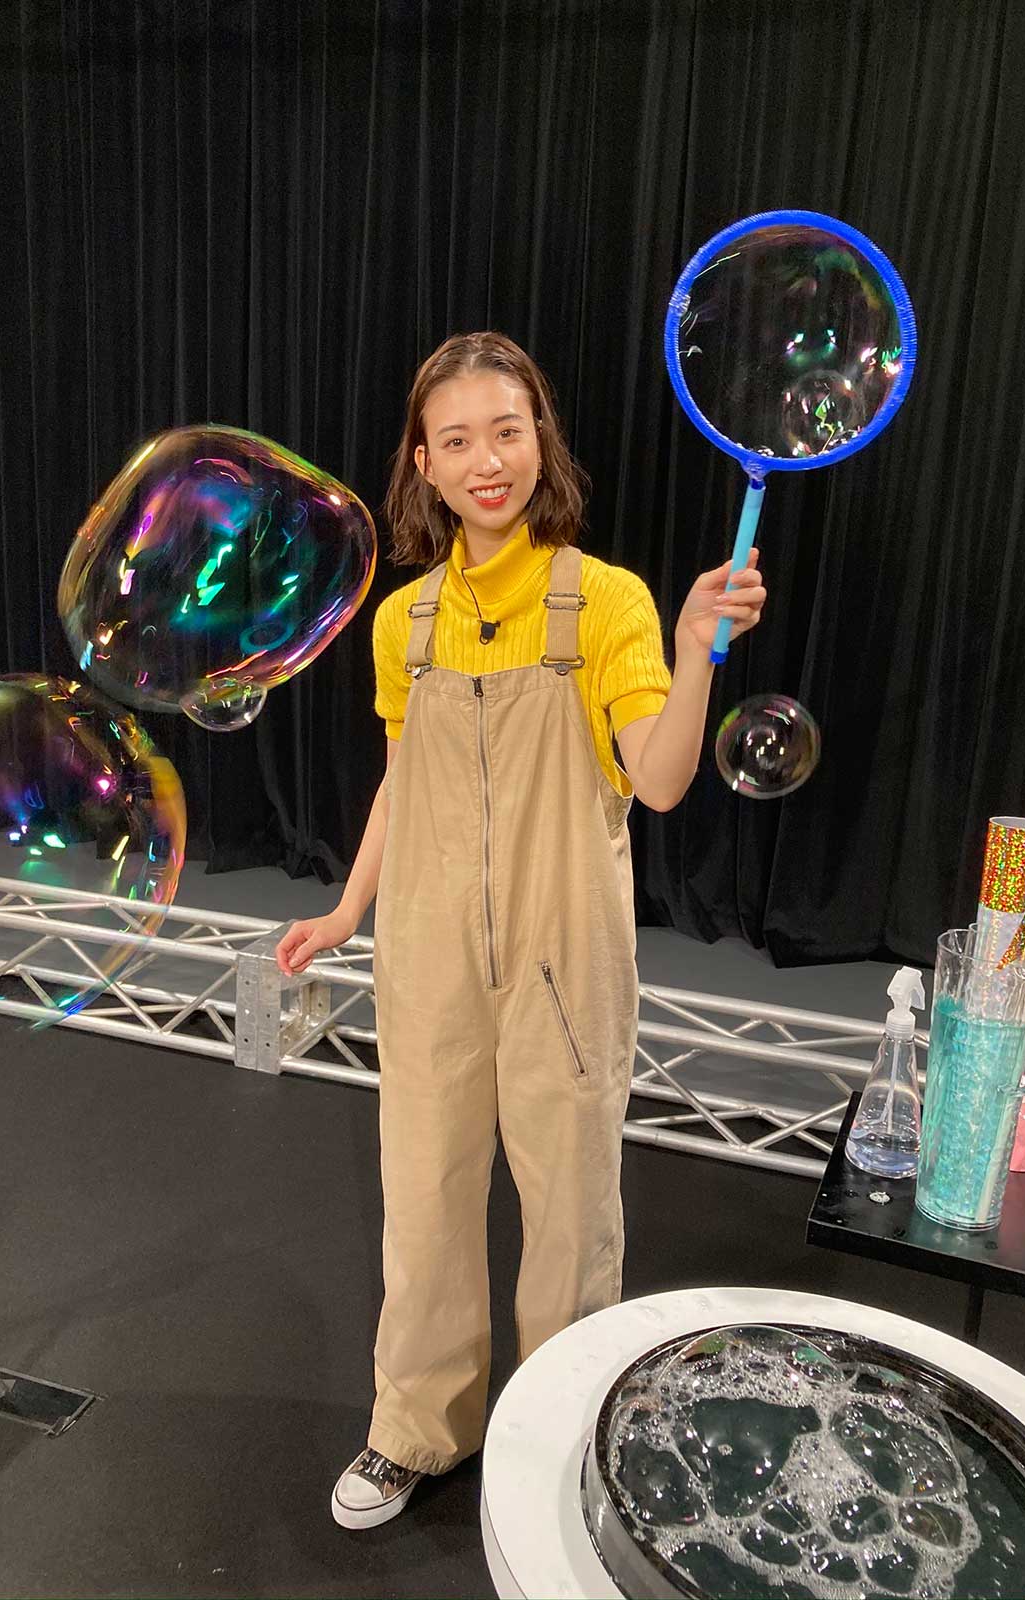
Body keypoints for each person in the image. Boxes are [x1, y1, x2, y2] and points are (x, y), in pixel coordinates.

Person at [275, 331, 766, 1529]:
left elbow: (659, 781)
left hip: (564, 960)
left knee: (572, 1221)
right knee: (424, 1204)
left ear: (540, 438)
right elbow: (402, 781)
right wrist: (348, 907)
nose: (485, 460)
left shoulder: (607, 602)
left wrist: (695, 649)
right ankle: (416, 1428)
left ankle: (563, 1438)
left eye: (507, 429)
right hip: (428, 955)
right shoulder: (404, 621)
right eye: (456, 440)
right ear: (423, 463)